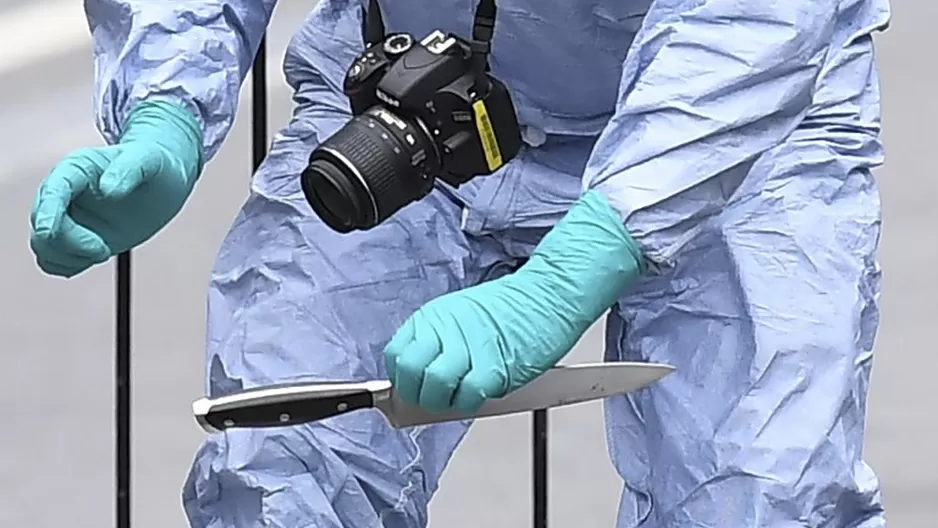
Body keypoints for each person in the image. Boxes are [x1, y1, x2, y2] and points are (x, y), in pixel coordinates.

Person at [29, 0, 893, 526]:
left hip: (741, 125)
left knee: (761, 498)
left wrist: (565, 278)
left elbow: (754, 23)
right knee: (282, 477)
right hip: (407, 105)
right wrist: (166, 110)